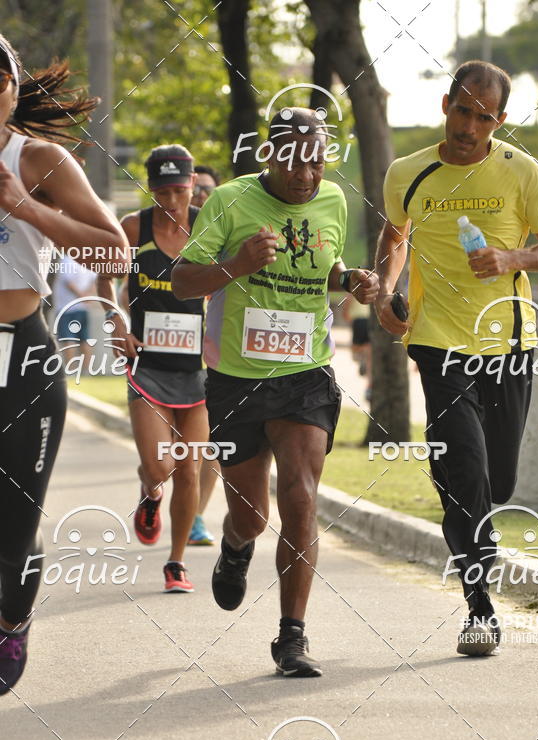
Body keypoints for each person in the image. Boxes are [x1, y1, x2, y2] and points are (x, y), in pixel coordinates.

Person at [374, 60, 538, 656]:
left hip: (507, 345)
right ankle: (479, 607)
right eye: (462, 111)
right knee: (463, 468)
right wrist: (385, 292)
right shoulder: (408, 172)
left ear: (500, 120)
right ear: (446, 105)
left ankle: (474, 514)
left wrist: (511, 259)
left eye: (484, 118)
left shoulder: (522, 171)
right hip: (439, 343)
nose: (469, 127)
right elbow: (394, 235)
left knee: (497, 480)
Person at [172, 107, 379, 677]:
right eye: (294, 162)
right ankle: (236, 547)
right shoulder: (229, 200)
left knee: (301, 497)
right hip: (237, 380)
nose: (306, 176)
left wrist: (350, 279)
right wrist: (236, 265)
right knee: (252, 517)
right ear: (268, 155)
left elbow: (328, 266)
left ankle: (292, 636)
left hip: (305, 372)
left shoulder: (333, 200)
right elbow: (183, 280)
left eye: (316, 163)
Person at [0, 36, 128, 694]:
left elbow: (114, 254)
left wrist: (22, 206)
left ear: (13, 88)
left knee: (13, 530)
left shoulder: (38, 159)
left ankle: (10, 620)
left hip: (21, 354)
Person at [97, 145, 209, 593]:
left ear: (193, 184)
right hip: (147, 366)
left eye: (179, 190)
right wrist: (116, 322)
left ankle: (176, 563)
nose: (171, 201)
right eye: (162, 192)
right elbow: (105, 276)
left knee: (190, 470)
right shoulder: (133, 227)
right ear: (151, 188)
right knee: (160, 467)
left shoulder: (210, 224)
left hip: (199, 370)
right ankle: (150, 491)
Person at [188, 163, 220, 547]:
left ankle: (196, 516)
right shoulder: (165, 232)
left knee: (213, 442)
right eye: (196, 189)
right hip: (171, 358)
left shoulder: (227, 234)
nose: (200, 195)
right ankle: (155, 482)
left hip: (214, 356)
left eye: (207, 189)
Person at [51, 257, 97, 363]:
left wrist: (81, 296)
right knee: (84, 339)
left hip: (66, 307)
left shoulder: (66, 260)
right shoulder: (88, 260)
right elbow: (94, 281)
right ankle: (87, 370)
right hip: (83, 307)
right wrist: (87, 297)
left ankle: (70, 369)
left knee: (68, 340)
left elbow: (68, 283)